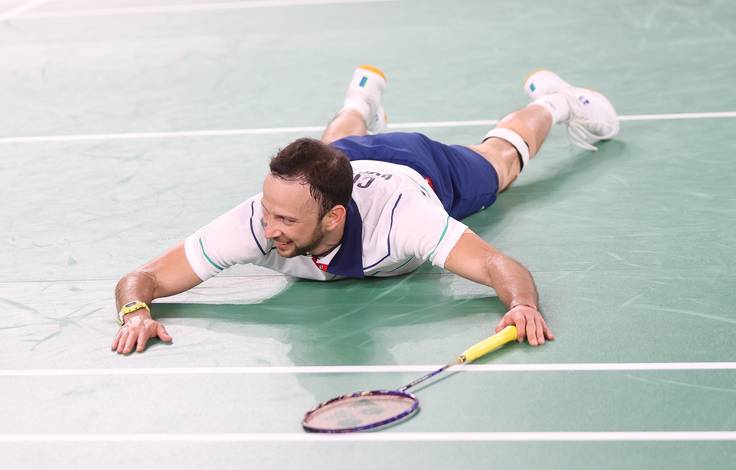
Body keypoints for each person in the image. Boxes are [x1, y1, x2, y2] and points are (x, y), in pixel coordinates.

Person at [112, 65, 620, 355]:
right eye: (269, 212)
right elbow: (144, 278)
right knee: (332, 149)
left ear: (333, 218)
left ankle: (555, 101)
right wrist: (135, 313)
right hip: (344, 161)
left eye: (285, 221)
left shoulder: (405, 220)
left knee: (500, 163)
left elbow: (496, 265)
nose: (269, 229)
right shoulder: (258, 220)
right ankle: (361, 99)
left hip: (420, 168)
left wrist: (522, 305)